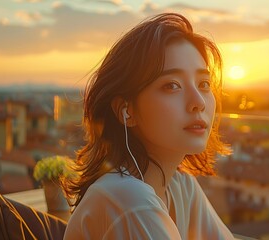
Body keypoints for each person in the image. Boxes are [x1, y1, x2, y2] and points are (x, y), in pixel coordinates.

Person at [62, 13, 234, 239]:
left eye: (204, 84)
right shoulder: (129, 200)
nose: (199, 102)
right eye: (172, 85)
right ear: (126, 110)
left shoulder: (180, 186)